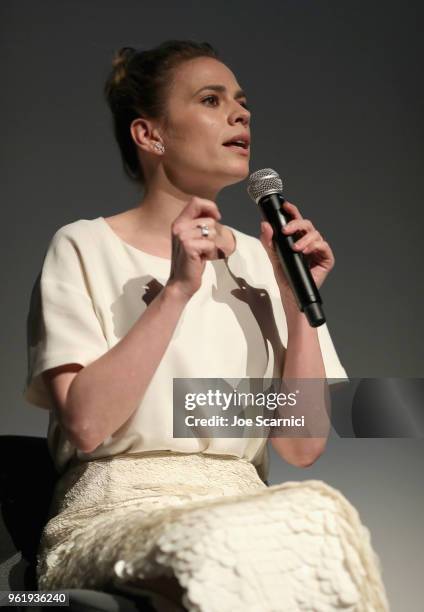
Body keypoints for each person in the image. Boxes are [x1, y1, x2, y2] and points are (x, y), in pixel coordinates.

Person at [23, 40, 389, 611]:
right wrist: (176, 291)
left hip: (243, 506)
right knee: (222, 545)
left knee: (322, 525)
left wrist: (296, 301)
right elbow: (88, 424)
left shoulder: (262, 260)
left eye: (241, 103)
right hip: (118, 513)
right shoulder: (83, 246)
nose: (240, 114)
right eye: (211, 100)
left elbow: (301, 444)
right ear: (150, 135)